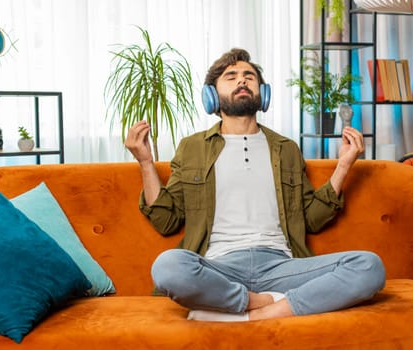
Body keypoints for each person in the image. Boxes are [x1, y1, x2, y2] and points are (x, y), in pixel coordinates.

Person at [125, 48, 385, 321]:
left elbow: (312, 219)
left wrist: (343, 166)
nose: (242, 81)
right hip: (219, 268)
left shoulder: (286, 148)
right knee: (168, 267)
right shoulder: (192, 148)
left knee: (369, 266)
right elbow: (165, 219)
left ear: (263, 92)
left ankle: (257, 313)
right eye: (231, 76)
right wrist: (145, 162)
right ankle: (257, 302)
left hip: (281, 266)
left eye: (249, 76)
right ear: (211, 95)